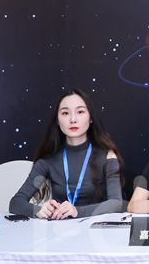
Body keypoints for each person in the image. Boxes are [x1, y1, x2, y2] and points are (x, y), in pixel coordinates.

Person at [9, 88, 123, 219]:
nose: (73, 119)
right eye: (65, 113)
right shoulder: (48, 160)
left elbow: (116, 203)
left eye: (80, 112)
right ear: (57, 120)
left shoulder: (107, 156)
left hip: (95, 228)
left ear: (91, 118)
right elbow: (16, 203)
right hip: (59, 228)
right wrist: (38, 210)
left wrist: (77, 211)